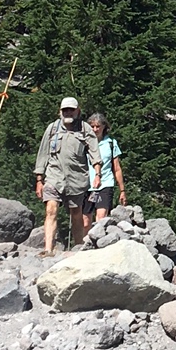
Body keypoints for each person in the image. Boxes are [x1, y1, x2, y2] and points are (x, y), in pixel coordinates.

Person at [34, 97, 98, 255]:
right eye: (65, 110)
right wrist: (39, 179)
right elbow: (43, 153)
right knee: (51, 209)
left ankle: (77, 249)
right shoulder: (52, 129)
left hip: (76, 179)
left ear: (78, 111)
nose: (68, 113)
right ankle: (48, 249)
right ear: (60, 111)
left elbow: (94, 152)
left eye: (71, 109)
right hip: (54, 176)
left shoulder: (85, 129)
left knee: (76, 214)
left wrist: (97, 173)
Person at [87, 112, 127, 220]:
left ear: (104, 126)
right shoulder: (84, 143)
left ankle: (98, 236)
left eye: (98, 126)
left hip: (105, 184)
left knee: (101, 217)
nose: (95, 129)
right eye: (92, 126)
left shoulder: (111, 143)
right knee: (85, 221)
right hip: (86, 185)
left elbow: (117, 168)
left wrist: (122, 190)